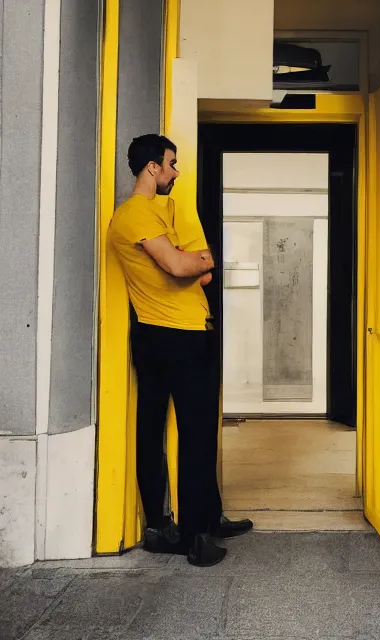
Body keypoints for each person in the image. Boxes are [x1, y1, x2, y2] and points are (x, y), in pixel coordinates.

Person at [108, 134, 252, 567]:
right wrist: (201, 259)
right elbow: (180, 265)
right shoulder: (134, 214)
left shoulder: (162, 212)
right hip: (173, 336)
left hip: (178, 333)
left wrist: (197, 262)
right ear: (151, 167)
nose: (175, 171)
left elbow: (197, 270)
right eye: (171, 164)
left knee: (190, 432)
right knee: (188, 435)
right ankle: (194, 537)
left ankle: (205, 518)